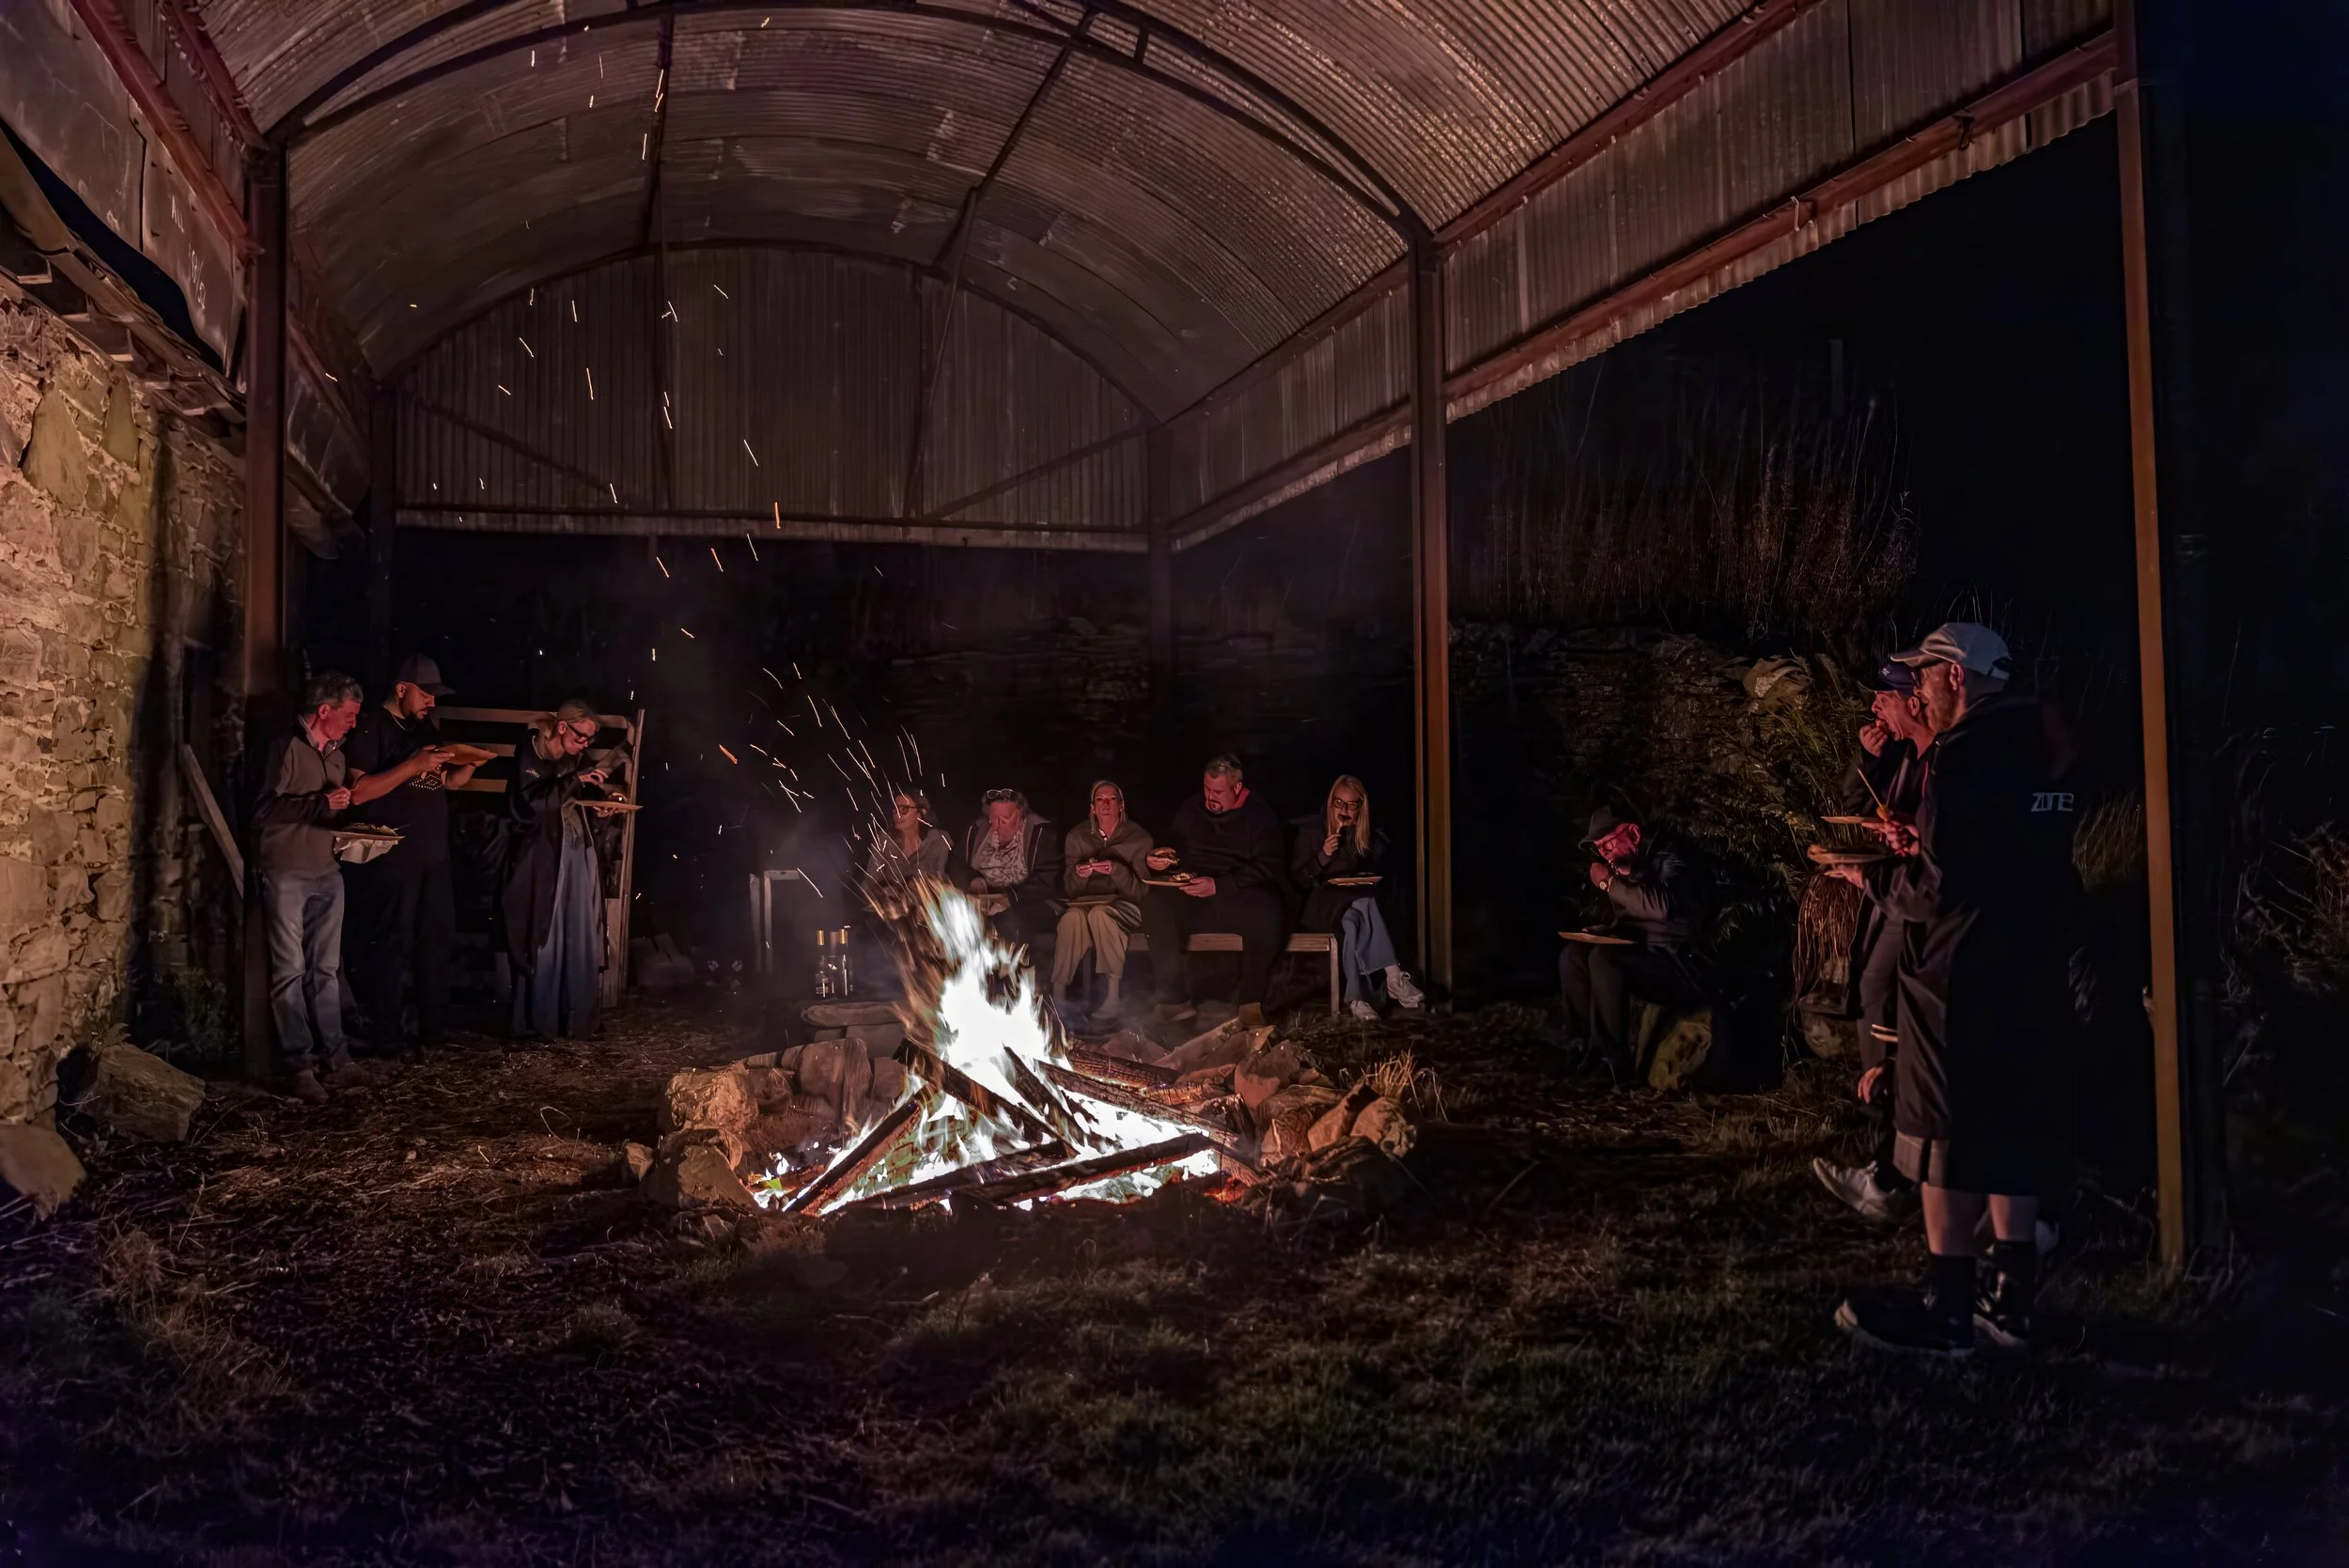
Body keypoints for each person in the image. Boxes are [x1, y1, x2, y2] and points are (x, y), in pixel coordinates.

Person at [1830, 623, 2080, 1356]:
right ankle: (2015, 1303)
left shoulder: (1964, 755)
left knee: (1946, 1138)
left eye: (1926, 678)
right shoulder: (2047, 747)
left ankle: (1948, 1308)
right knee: (2015, 1129)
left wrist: (1872, 877)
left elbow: (1938, 888)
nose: (1920, 691)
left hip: (1959, 976)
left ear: (1958, 677)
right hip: (2031, 969)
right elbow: (2022, 856)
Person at [1812, 660, 1935, 1222]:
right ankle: (1883, 1144)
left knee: (1882, 994)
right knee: (1872, 990)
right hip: (1893, 888)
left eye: (1883, 697)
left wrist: (1912, 833)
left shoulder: (1944, 759)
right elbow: (1858, 807)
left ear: (1914, 698)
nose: (1874, 708)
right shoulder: (1906, 755)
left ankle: (1893, 1159)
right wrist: (1869, 759)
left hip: (1915, 899)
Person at [252, 670, 376, 1104]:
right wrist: (320, 803)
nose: (354, 723)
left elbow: (326, 813)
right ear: (324, 710)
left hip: (327, 869)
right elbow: (263, 810)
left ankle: (336, 1059)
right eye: (349, 714)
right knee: (290, 971)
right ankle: (299, 1066)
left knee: (326, 971)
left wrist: (352, 831)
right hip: (286, 872)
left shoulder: (338, 756)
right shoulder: (285, 747)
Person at [340, 655, 474, 1053]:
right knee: (392, 942)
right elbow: (359, 792)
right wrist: (413, 765)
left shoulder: (422, 727)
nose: (432, 701)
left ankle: (432, 1031)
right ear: (401, 688)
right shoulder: (371, 728)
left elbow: (442, 783)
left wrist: (464, 770)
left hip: (434, 854)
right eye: (426, 693)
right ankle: (387, 1033)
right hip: (393, 854)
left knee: (435, 940)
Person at [1557, 806, 1712, 1080]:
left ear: (1633, 832)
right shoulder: (1627, 867)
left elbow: (1660, 909)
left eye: (1609, 842)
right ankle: (1582, 1049)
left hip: (1678, 963)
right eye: (1600, 847)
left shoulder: (1674, 857)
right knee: (1573, 956)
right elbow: (1634, 919)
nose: (1604, 852)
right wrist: (1603, 931)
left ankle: (1612, 1062)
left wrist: (1609, 884)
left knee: (1604, 959)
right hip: (1644, 953)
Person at [1140, 755, 1290, 1028]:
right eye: (1207, 789)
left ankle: (1250, 1003)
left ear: (1237, 788)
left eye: (1218, 792)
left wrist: (1221, 885)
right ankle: (1175, 1000)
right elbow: (1177, 849)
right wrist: (1159, 859)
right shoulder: (1192, 808)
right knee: (1155, 906)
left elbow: (1270, 865)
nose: (1210, 797)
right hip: (1195, 895)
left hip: (1237, 895)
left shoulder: (1258, 814)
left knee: (1267, 910)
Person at [505, 699, 618, 1039]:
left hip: (574, 848)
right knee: (547, 932)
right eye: (582, 737)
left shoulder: (574, 757)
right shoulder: (531, 750)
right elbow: (532, 804)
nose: (585, 745)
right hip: (541, 855)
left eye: (590, 741)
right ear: (564, 727)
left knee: (579, 927)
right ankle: (541, 1020)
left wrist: (601, 810)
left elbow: (577, 797)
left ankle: (577, 1018)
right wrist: (575, 779)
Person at [1292, 775, 1423, 1020]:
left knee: (1353, 922)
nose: (1344, 810)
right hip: (1320, 907)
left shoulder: (1364, 836)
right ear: (1330, 803)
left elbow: (1379, 871)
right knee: (1364, 904)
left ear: (1361, 807)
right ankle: (1394, 977)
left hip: (1351, 907)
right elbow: (1299, 879)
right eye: (1338, 803)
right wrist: (1322, 856)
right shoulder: (1312, 832)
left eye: (1351, 805)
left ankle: (1357, 999)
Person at [1051, 781, 1153, 1011]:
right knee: (1071, 919)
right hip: (1085, 902)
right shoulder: (1077, 836)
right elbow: (1070, 889)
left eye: (1111, 799)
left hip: (1123, 905)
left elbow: (1141, 891)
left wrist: (1116, 870)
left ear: (1121, 805)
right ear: (1092, 808)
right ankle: (1058, 992)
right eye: (1100, 800)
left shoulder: (1138, 838)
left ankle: (1112, 996)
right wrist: (1080, 873)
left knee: (1101, 915)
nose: (1106, 805)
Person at [958, 788, 1063, 946]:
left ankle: (1013, 968)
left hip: (1029, 903)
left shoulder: (1041, 833)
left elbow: (1047, 879)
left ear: (1021, 815)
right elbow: (955, 864)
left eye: (1006, 818)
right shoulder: (976, 831)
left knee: (1009, 921)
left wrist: (1010, 898)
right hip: (983, 900)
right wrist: (973, 880)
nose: (998, 825)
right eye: (994, 818)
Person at [864, 788, 952, 903]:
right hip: (889, 913)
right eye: (895, 810)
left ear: (921, 812)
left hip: (928, 913)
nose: (897, 815)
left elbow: (944, 882)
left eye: (904, 809)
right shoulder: (885, 839)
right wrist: (885, 890)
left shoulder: (938, 840)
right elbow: (871, 880)